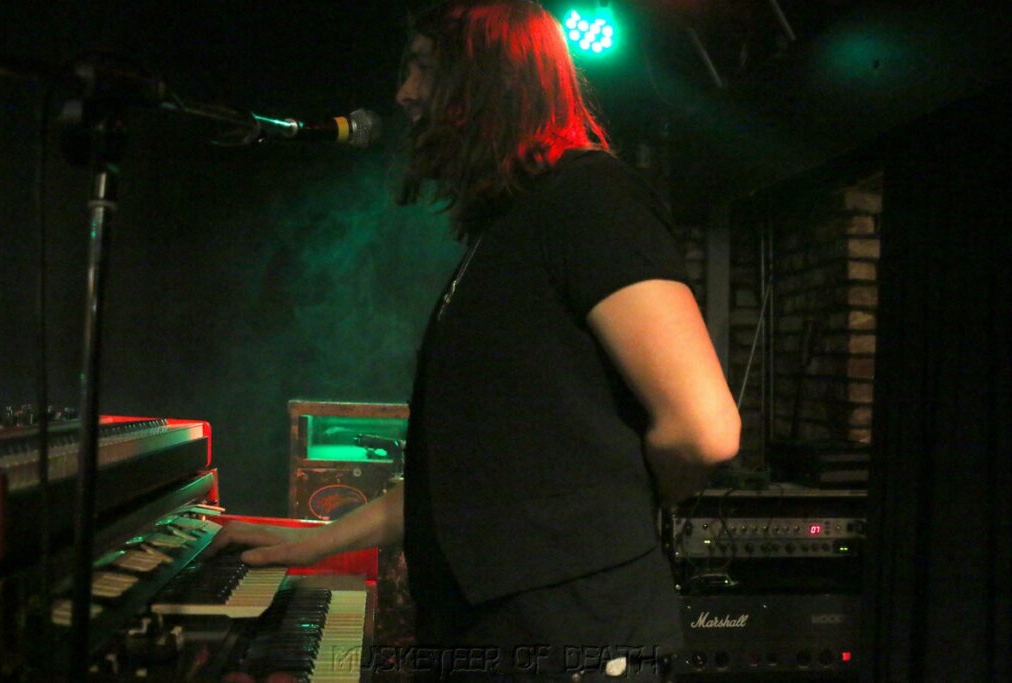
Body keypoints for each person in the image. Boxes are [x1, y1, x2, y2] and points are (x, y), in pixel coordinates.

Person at [210, 1, 740, 679]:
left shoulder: (590, 196)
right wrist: (314, 543)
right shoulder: (511, 226)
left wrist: (612, 509)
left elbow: (704, 431)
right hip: (505, 635)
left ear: (491, 78)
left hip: (572, 637)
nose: (405, 94)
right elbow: (471, 482)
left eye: (424, 69)